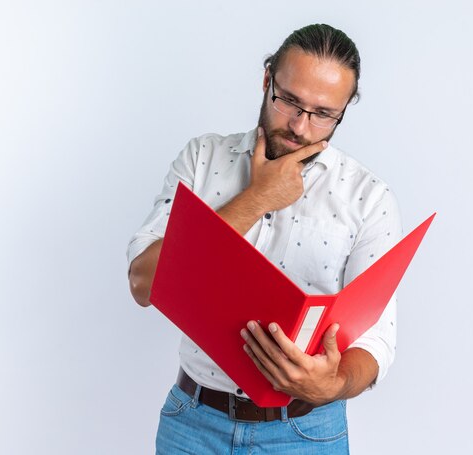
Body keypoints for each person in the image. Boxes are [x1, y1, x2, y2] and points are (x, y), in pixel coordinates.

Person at [127, 23, 402, 454]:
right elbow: (144, 283)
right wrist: (255, 199)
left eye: (323, 114)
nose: (299, 126)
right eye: (288, 100)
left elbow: (377, 339)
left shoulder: (369, 198)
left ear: (344, 110)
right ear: (266, 79)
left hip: (307, 433)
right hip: (193, 425)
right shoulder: (202, 159)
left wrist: (332, 383)